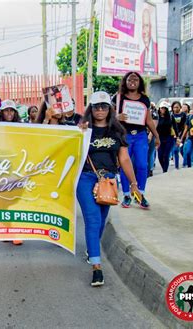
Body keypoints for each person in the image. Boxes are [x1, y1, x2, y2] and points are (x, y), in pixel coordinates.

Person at [77, 91, 140, 287]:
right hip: (86, 178)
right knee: (93, 219)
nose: (100, 110)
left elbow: (124, 158)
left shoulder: (118, 131)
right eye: (96, 106)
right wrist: (78, 132)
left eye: (104, 106)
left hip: (110, 180)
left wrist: (133, 183)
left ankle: (92, 247)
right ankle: (96, 267)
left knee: (102, 219)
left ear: (109, 109)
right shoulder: (82, 130)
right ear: (91, 109)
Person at [114, 72, 159, 209]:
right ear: (125, 81)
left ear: (140, 82)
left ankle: (140, 194)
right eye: (129, 79)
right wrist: (117, 117)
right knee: (124, 165)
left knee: (142, 165)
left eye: (135, 79)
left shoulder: (144, 99)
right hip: (124, 135)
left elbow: (148, 119)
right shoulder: (118, 97)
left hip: (140, 135)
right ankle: (127, 194)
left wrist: (156, 136)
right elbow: (109, 116)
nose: (132, 81)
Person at [0, 99, 23, 245]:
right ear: (2, 112)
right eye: (6, 110)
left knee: (14, 200)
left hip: (17, 167)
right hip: (0, 168)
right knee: (2, 201)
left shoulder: (22, 128)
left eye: (12, 110)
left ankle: (15, 230)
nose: (9, 113)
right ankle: (7, 230)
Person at [156, 101, 178, 173]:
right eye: (162, 108)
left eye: (165, 108)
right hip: (159, 138)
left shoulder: (170, 117)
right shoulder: (156, 117)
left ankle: (165, 170)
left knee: (166, 155)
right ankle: (163, 168)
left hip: (169, 138)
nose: (163, 110)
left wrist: (177, 137)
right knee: (160, 156)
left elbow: (175, 127)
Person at [140, 8, 158, 74]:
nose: (144, 31)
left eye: (147, 26)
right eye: (142, 27)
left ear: (151, 27)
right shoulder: (141, 55)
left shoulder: (156, 50)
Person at [171, 101, 186, 169]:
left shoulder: (183, 115)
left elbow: (185, 126)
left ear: (180, 107)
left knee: (182, 150)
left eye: (177, 107)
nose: (176, 109)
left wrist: (182, 135)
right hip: (174, 135)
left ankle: (185, 161)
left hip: (182, 134)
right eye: (174, 107)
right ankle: (176, 166)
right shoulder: (171, 115)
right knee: (175, 150)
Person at [147, 102, 159, 177]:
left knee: (150, 153)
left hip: (150, 135)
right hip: (140, 134)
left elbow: (154, 125)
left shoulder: (153, 113)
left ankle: (149, 170)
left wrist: (150, 136)